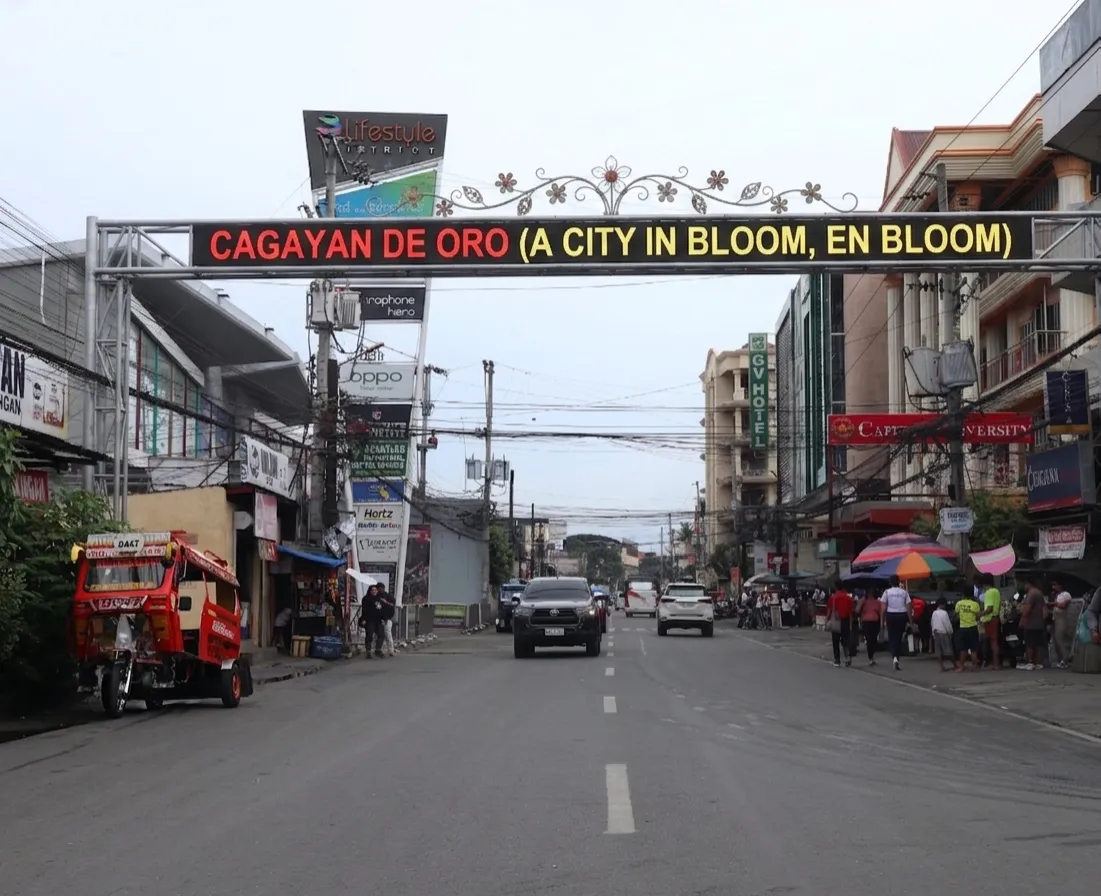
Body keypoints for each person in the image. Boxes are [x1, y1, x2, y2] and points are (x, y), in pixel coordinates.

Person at [879, 575, 912, 671]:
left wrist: (882, 622)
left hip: (891, 616)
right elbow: (909, 607)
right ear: (899, 582)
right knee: (899, 636)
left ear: (890, 582)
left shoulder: (887, 592)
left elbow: (883, 608)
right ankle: (896, 657)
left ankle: (895, 657)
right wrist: (910, 621)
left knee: (892, 637)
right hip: (902, 615)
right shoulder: (904, 593)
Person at [1018, 575, 1047, 671]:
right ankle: (1038, 663)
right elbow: (1044, 609)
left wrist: (1022, 614)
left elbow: (1027, 609)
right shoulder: (1039, 593)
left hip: (1030, 622)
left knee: (1029, 643)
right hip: (1039, 622)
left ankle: (1030, 662)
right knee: (1039, 643)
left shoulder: (1031, 594)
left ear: (1028, 584)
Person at [954, 585, 982, 671]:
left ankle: (961, 666)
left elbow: (956, 615)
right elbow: (978, 617)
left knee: (963, 649)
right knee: (974, 649)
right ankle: (975, 666)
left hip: (963, 628)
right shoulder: (975, 604)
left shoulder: (959, 603)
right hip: (973, 628)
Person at [826, 583, 855, 667]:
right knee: (846, 641)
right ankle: (847, 656)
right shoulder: (848, 598)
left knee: (835, 641)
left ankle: (837, 660)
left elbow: (829, 610)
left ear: (835, 587)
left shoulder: (833, 597)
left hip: (836, 621)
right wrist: (850, 624)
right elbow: (850, 613)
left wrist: (826, 621)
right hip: (845, 621)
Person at [978, 573, 1002, 670]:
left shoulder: (989, 593)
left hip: (990, 619)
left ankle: (995, 664)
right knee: (994, 642)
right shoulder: (996, 591)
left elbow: (989, 608)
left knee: (991, 642)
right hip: (995, 618)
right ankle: (996, 663)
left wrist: (980, 614)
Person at [1049, 580, 1072, 668]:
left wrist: (1053, 603)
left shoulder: (1066, 595)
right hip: (1055, 619)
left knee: (1060, 639)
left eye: (1055, 585)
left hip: (1062, 619)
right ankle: (1061, 658)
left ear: (1060, 585)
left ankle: (1066, 658)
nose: (1054, 587)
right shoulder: (1055, 595)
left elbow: (1063, 606)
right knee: (1056, 640)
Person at [857, 588, 881, 665]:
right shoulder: (864, 602)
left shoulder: (878, 602)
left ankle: (872, 655)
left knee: (874, 640)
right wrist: (861, 601)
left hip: (875, 622)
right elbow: (857, 611)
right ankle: (870, 657)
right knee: (869, 639)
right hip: (866, 622)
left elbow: (880, 613)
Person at [930, 597, 955, 672]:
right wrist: (950, 632)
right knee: (948, 650)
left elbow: (932, 623)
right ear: (944, 604)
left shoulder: (934, 613)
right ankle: (955, 665)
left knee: (938, 651)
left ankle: (942, 667)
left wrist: (933, 633)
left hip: (936, 632)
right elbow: (947, 624)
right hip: (943, 632)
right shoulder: (944, 613)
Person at [377, 583, 397, 656]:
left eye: (381, 589)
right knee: (379, 635)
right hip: (378, 619)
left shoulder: (388, 596)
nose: (380, 590)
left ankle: (391, 650)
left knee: (388, 634)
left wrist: (385, 602)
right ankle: (379, 650)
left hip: (387, 618)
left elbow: (392, 605)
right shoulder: (376, 597)